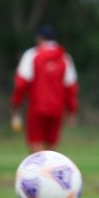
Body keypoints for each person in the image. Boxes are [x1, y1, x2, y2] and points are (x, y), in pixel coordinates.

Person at [10, 24, 79, 153]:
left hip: (36, 109)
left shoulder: (32, 55)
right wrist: (72, 111)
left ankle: (37, 173)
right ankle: (49, 173)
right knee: (52, 149)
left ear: (40, 38)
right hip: (57, 109)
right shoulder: (65, 57)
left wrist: (16, 104)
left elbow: (21, 84)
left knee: (35, 146)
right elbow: (71, 87)